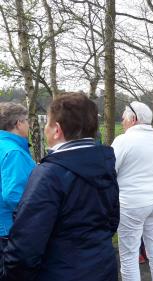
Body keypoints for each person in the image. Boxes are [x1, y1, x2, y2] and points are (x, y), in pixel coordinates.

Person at [2, 93, 119, 281]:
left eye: (47, 124)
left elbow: (26, 245)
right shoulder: (105, 162)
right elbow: (112, 220)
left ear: (56, 130)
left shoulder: (49, 174)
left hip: (60, 271)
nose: (44, 129)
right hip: (102, 265)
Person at [111, 101, 153, 281]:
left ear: (134, 119)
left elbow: (110, 171)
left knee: (129, 255)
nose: (122, 122)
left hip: (132, 204)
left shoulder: (122, 141)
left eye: (124, 118)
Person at [0, 103, 36, 264]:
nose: (29, 124)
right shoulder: (14, 152)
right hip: (9, 230)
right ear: (18, 124)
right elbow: (14, 195)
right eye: (27, 120)